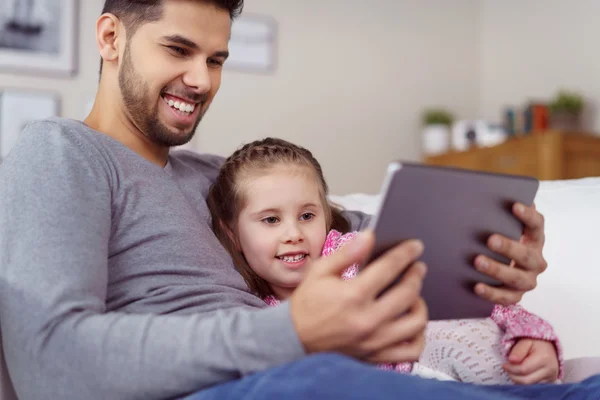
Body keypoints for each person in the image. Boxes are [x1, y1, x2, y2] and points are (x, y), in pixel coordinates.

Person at [0, 0, 597, 399]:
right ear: (111, 37)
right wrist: (294, 331)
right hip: (246, 385)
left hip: (310, 372)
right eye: (178, 51)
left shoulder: (219, 177)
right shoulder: (61, 153)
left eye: (216, 59)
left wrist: (490, 254)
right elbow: (50, 363)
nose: (202, 81)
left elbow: (370, 234)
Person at [207, 136, 563, 386]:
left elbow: (462, 293)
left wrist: (529, 337)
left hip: (446, 354)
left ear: (326, 217)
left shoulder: (358, 255)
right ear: (234, 234)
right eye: (271, 220)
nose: (293, 234)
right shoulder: (256, 318)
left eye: (307, 216)